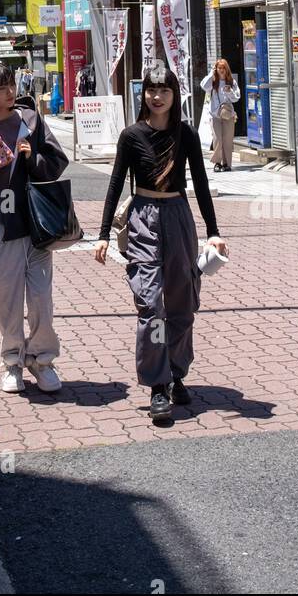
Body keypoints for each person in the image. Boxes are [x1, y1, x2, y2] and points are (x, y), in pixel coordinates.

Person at [94, 64, 229, 424]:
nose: (156, 96)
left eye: (164, 90)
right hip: (142, 219)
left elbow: (199, 184)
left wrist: (213, 231)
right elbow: (115, 184)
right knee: (151, 304)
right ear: (144, 94)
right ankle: (157, 386)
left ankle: (176, 372)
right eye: (151, 90)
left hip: (178, 216)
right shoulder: (131, 135)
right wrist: (104, 234)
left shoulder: (185, 134)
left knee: (182, 303)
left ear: (175, 94)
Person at [0, 63, 68, 394]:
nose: (10, 92)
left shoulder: (30, 120)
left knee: (40, 298)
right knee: (7, 300)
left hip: (36, 223)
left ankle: (42, 359)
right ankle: (12, 361)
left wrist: (32, 157)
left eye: (11, 85)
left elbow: (57, 160)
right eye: (2, 87)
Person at [201, 58, 241, 172]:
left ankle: (227, 164)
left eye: (223, 68)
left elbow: (236, 98)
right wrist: (211, 73)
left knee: (228, 140)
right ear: (216, 69)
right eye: (219, 68)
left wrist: (229, 91)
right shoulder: (213, 81)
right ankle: (217, 163)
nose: (221, 70)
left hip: (228, 115)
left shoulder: (231, 81)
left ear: (226, 69)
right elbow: (203, 86)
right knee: (217, 139)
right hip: (215, 115)